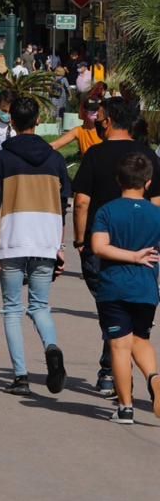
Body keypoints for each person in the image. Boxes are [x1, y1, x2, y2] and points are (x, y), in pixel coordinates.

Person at [0, 96, 72, 396]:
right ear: (37, 122)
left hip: (12, 240)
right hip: (45, 240)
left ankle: (21, 376)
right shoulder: (56, 160)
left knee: (12, 310)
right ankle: (52, 347)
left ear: (13, 123)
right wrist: (59, 243)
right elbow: (63, 204)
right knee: (40, 306)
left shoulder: (2, 160)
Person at [71, 95, 160, 397]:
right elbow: (158, 204)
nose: (95, 119)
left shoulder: (95, 155)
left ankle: (111, 373)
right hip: (145, 249)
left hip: (103, 244)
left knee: (111, 311)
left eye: (99, 114)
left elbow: (82, 202)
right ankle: (123, 373)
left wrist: (81, 240)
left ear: (108, 120)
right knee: (134, 320)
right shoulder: (148, 156)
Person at [89, 152, 160, 423]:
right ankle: (154, 378)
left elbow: (99, 247)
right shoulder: (156, 214)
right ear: (148, 182)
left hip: (114, 286)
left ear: (119, 180)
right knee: (140, 340)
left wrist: (131, 255)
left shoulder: (107, 211)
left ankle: (125, 407)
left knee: (119, 345)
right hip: (146, 288)